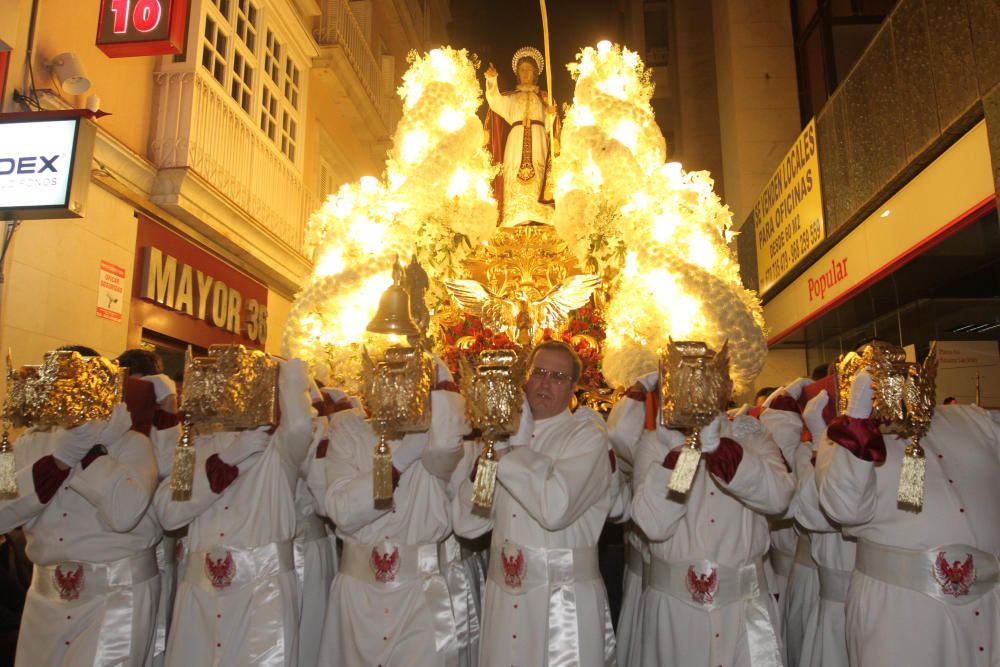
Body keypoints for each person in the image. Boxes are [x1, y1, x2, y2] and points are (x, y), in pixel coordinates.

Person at [815, 363, 1000, 666]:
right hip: (903, 611)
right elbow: (844, 509)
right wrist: (859, 420)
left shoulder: (973, 420)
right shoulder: (840, 437)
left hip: (991, 605)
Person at [453, 340, 616, 667]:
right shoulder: (497, 440)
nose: (545, 382)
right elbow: (468, 524)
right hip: (504, 598)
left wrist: (514, 449)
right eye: (539, 372)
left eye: (558, 377)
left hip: (562, 603)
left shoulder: (587, 438)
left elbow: (555, 509)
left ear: (573, 388)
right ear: (524, 378)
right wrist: (489, 457)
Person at [0, 350, 162, 667]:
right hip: (45, 599)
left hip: (114, 597)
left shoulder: (134, 443)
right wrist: (58, 460)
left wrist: (92, 452)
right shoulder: (25, 444)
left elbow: (125, 514)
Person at [153, 358, 314, 667]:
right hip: (199, 596)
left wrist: (289, 373)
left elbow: (300, 425)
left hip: (262, 593)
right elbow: (169, 513)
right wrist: (228, 458)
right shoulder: (194, 443)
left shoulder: (279, 446)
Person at [629, 368, 795, 667]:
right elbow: (654, 525)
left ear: (729, 386)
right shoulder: (656, 441)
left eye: (707, 376)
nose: (697, 388)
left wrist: (720, 450)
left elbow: (779, 498)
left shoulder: (753, 435)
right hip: (676, 613)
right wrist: (683, 454)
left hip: (744, 612)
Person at [318, 360, 468, 667]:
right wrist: (398, 461)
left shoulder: (435, 439)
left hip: (420, 597)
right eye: (389, 379)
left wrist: (445, 384)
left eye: (410, 380)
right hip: (356, 601)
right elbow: (341, 509)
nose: (398, 391)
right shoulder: (348, 433)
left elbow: (448, 441)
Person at [484, 46, 559, 226]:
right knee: (514, 170)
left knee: (539, 170)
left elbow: (551, 127)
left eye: (529, 70)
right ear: (518, 73)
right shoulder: (511, 98)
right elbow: (495, 102)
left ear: (535, 73)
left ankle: (539, 215)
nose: (525, 73)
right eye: (522, 70)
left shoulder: (544, 98)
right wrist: (492, 80)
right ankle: (515, 216)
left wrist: (551, 112)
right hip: (516, 140)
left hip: (539, 138)